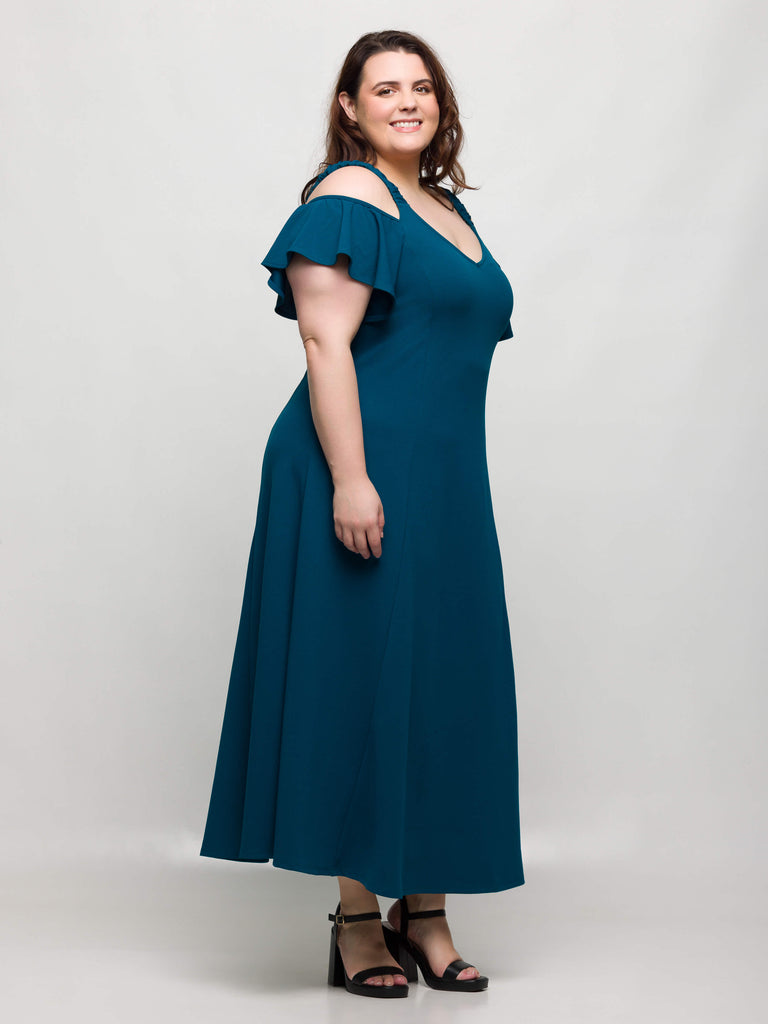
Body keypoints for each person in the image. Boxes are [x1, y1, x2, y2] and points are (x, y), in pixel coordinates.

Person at [200, 29, 524, 998]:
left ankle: (424, 912)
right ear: (349, 107)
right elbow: (323, 342)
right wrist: (351, 477)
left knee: (441, 677)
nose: (407, 102)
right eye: (384, 88)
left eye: (421, 86)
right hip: (357, 466)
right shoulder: (349, 196)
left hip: (446, 477)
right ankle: (354, 919)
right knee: (359, 679)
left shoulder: (445, 207)